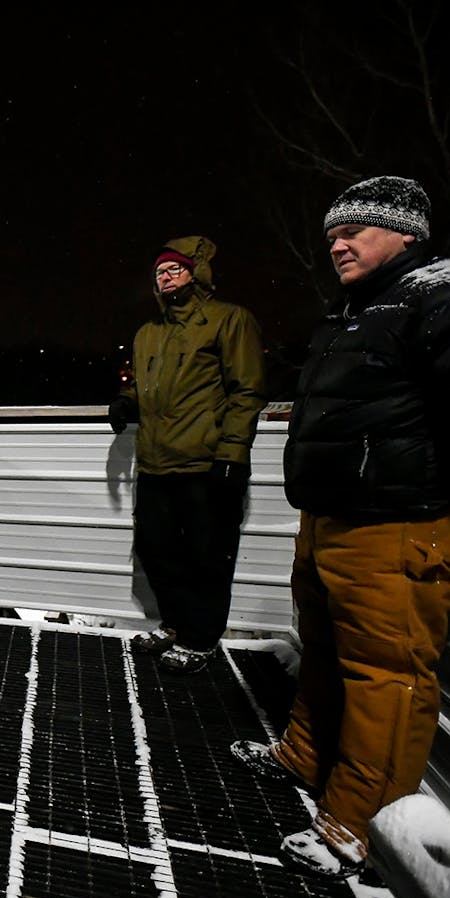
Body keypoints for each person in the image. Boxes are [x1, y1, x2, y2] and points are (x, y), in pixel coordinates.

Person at [231, 175, 450, 879]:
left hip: (398, 525)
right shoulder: (363, 304)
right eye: (332, 231)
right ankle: (304, 753)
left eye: (355, 228)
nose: (338, 241)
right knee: (324, 648)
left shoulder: (449, 293)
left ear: (407, 232)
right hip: (333, 519)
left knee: (387, 677)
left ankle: (358, 826)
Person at [109, 237, 268, 673]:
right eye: (158, 271)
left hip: (206, 464)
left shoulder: (229, 320)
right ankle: (177, 623)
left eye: (173, 268)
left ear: (195, 274)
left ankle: (202, 639)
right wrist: (127, 400)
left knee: (207, 557)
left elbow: (247, 390)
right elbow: (148, 387)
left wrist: (232, 456)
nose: (163, 276)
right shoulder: (148, 334)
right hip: (157, 463)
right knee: (155, 549)